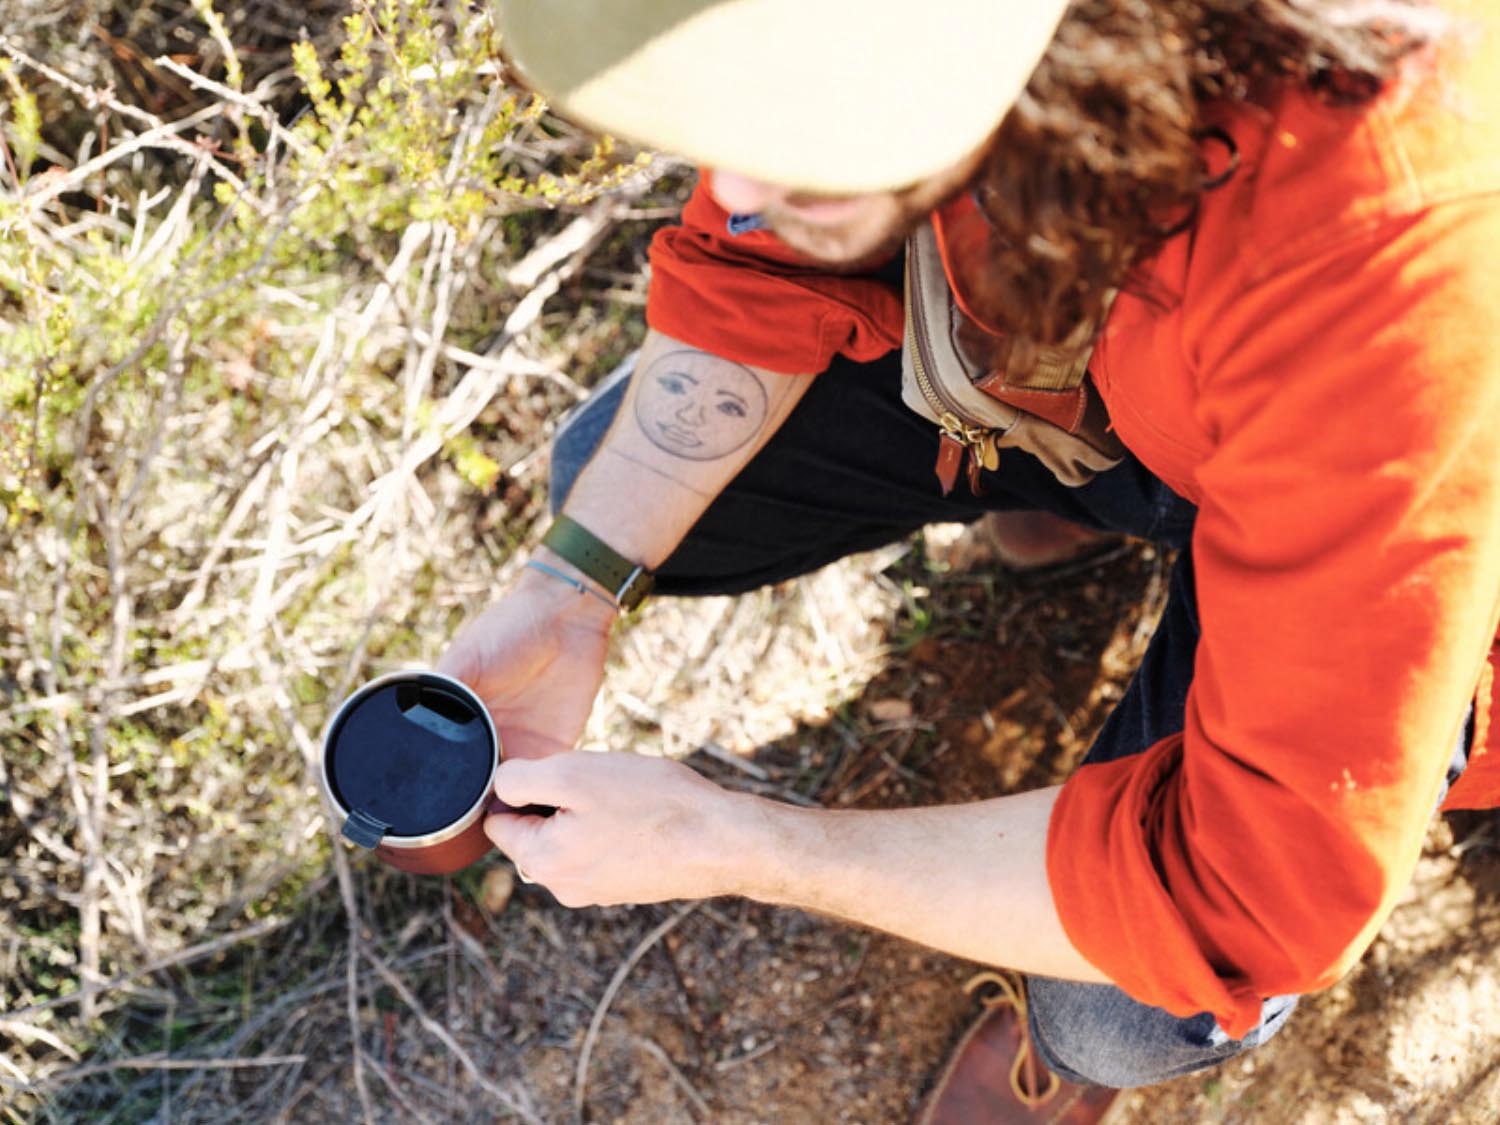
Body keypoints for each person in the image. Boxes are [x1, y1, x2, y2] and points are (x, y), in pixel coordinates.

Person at [437, 0, 1500, 1117]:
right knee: (609, 485)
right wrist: (571, 590)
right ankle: (1090, 465)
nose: (736, 186)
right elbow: (753, 267)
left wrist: (739, 841)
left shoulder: (1387, 237)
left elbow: (1244, 896)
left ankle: (1125, 490)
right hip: (1167, 383)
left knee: (1119, 1011)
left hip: (1406, 538)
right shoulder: (933, 53)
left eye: (804, 99)